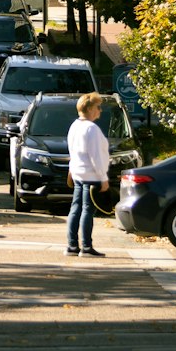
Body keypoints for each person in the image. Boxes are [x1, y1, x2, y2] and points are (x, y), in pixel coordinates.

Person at [65, 93, 110, 259]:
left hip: (77, 172)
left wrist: (71, 170)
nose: (100, 111)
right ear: (90, 109)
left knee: (75, 208)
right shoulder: (91, 129)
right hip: (91, 175)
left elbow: (72, 151)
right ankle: (86, 246)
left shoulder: (74, 126)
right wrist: (103, 178)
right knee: (87, 210)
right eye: (98, 107)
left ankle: (71, 245)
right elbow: (96, 156)